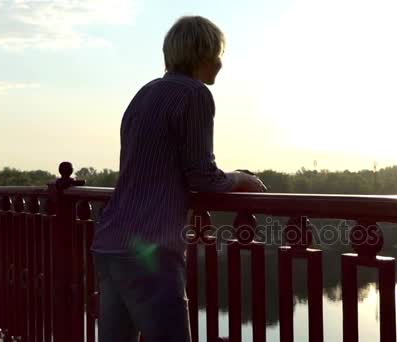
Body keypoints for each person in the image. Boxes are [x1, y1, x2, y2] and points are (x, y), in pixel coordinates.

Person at [90, 16, 267, 342]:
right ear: (202, 54)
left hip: (109, 243)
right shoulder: (194, 94)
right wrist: (242, 179)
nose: (220, 64)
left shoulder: (145, 93)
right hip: (151, 251)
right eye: (218, 54)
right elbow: (203, 177)